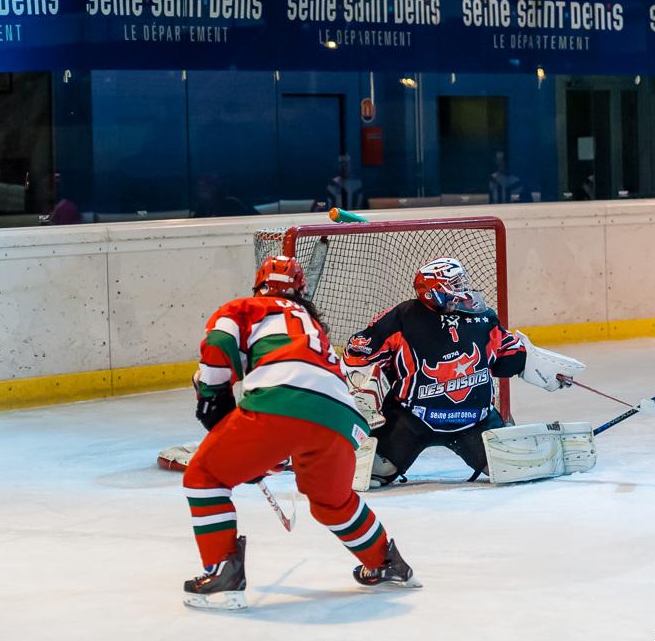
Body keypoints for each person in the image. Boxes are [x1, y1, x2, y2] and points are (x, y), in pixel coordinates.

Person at [181, 255, 417, 610]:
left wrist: (214, 398)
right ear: (302, 291)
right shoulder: (312, 328)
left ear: (258, 285)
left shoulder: (245, 307)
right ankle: (387, 563)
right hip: (341, 419)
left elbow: (219, 342)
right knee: (332, 503)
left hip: (280, 404)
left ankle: (222, 577)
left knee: (204, 477)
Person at [341, 257, 584, 488]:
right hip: (410, 419)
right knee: (371, 472)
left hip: (474, 421)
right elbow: (358, 353)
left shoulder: (481, 317)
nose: (463, 289)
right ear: (434, 289)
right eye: (455, 284)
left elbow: (507, 353)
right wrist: (362, 394)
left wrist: (541, 367)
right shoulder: (402, 318)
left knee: (518, 467)